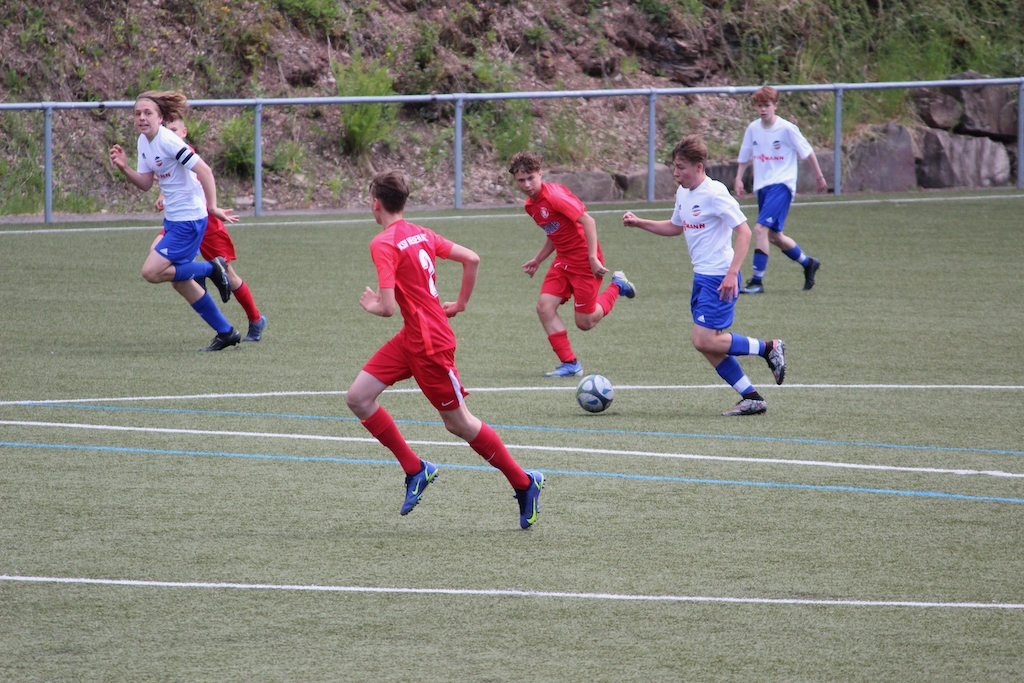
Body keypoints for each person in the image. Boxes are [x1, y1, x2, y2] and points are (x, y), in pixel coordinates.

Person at [345, 170, 545, 529]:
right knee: (359, 397)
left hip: (430, 345)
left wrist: (371, 303)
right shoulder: (420, 232)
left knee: (459, 423)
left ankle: (524, 483)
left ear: (376, 204)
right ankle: (416, 469)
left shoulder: (383, 243)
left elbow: (387, 307)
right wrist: (462, 303)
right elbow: (472, 258)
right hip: (413, 336)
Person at [623, 136, 787, 416]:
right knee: (709, 344)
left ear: (699, 167)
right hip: (702, 277)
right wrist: (641, 223)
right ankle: (752, 397)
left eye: (681, 167)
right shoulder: (683, 193)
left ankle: (769, 347)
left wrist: (733, 274)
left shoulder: (715, 193)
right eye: (674, 167)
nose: (676, 173)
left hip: (720, 277)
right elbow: (676, 227)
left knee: (703, 340)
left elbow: (744, 231)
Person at [109, 90, 240, 352]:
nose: (142, 117)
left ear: (160, 118)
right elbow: (146, 184)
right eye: (138, 113)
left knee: (151, 271)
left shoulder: (169, 141)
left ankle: (211, 269)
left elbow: (204, 170)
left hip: (189, 219)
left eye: (148, 113)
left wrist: (212, 206)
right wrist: (124, 167)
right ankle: (226, 332)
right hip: (175, 219)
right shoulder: (143, 142)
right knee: (179, 280)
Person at [509, 151, 635, 378]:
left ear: (540, 174)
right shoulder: (531, 206)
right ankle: (570, 364)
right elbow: (555, 233)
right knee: (544, 307)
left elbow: (588, 220)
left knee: (585, 322)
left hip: (586, 262)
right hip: (563, 261)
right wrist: (537, 259)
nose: (527, 184)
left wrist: (593, 258)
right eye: (521, 180)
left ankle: (618, 284)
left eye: (531, 178)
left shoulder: (555, 197)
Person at [154, 114, 267, 343]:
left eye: (174, 130)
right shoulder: (164, 152)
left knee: (228, 274)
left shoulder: (186, 152)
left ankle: (256, 319)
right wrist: (162, 195)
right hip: (180, 223)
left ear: (184, 134)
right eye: (166, 130)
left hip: (205, 222)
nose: (170, 134)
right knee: (156, 261)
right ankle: (201, 275)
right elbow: (173, 181)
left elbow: (198, 176)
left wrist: (212, 206)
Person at [734, 85, 828, 294]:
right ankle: (808, 262)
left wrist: (819, 175)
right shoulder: (753, 129)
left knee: (759, 230)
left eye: (767, 105)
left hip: (782, 185)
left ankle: (757, 282)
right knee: (774, 236)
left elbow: (807, 152)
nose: (763, 109)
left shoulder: (786, 129)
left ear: (775, 105)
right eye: (759, 106)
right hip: (763, 187)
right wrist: (739, 178)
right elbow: (745, 155)